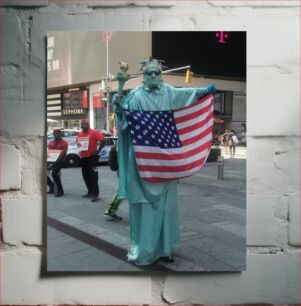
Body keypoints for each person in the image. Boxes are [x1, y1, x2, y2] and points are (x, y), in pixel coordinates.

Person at [113, 57, 216, 265]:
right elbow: (125, 123)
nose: (153, 76)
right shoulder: (135, 96)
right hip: (142, 160)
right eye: (149, 73)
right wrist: (120, 108)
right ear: (143, 77)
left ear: (160, 75)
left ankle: (165, 249)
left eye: (156, 73)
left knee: (167, 209)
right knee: (144, 208)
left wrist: (204, 91)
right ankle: (143, 248)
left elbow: (186, 94)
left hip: (165, 162)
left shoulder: (169, 92)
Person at [76, 118, 106, 202]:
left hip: (92, 158)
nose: (83, 125)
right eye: (82, 124)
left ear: (88, 125)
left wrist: (98, 150)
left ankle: (96, 194)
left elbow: (104, 140)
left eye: (85, 124)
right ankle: (90, 192)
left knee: (94, 176)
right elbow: (78, 144)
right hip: (83, 158)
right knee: (85, 176)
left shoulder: (94, 133)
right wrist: (78, 145)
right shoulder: (80, 134)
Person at [47, 129, 68, 197]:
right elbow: (49, 153)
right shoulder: (51, 142)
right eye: (55, 133)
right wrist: (49, 162)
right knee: (43, 174)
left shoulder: (64, 143)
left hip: (60, 161)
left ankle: (60, 191)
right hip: (51, 160)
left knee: (54, 174)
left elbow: (62, 153)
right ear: (53, 134)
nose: (56, 135)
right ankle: (52, 187)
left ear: (60, 134)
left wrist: (52, 165)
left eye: (58, 133)